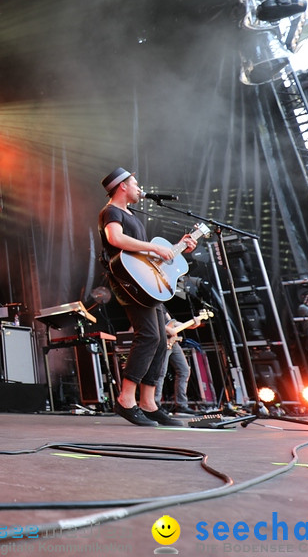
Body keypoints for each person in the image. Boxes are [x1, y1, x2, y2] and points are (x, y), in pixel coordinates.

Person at [98, 167, 197, 427]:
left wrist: (177, 249)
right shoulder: (112, 212)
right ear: (122, 186)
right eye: (135, 183)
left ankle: (149, 402)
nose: (139, 188)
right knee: (149, 336)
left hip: (147, 283)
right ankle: (126, 399)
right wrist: (154, 246)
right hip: (130, 284)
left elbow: (144, 258)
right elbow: (115, 238)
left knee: (161, 337)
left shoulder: (132, 215)